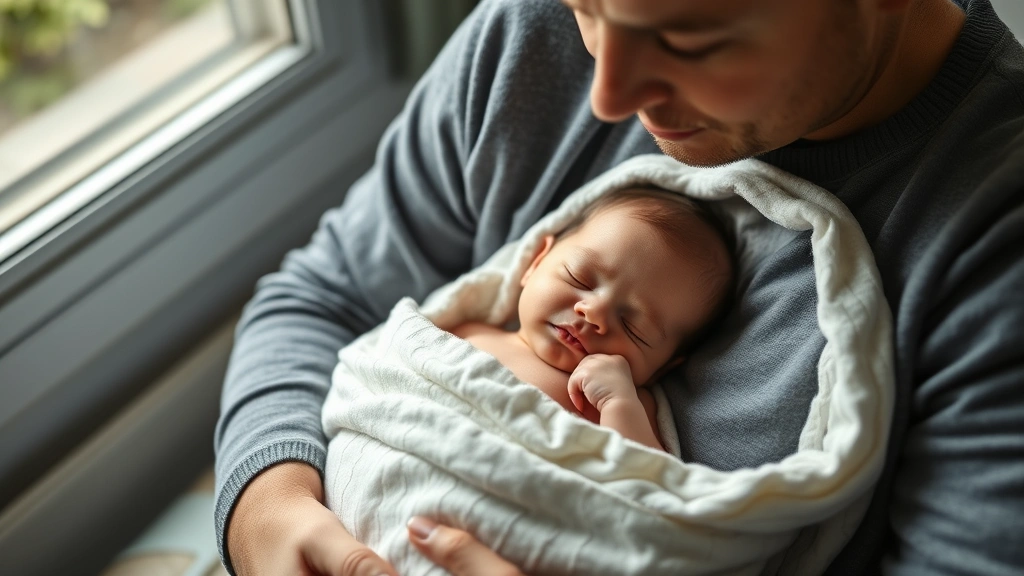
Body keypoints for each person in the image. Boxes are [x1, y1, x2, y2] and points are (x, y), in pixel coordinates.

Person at [214, 0, 1024, 574]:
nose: (611, 94)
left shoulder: (993, 233)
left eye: (692, 39)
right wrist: (266, 506)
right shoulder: (527, 38)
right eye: (586, 5)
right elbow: (327, 298)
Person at [450, 188, 733, 452]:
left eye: (634, 328)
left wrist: (618, 405)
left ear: (661, 368)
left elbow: (647, 481)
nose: (594, 312)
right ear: (535, 262)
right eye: (579, 278)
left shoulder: (627, 406)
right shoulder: (465, 332)